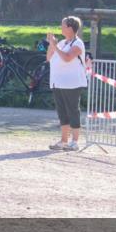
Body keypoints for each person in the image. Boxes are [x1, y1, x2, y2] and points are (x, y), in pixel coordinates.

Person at [46, 15, 87, 151]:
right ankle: (64, 140)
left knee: (73, 111)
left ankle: (74, 142)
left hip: (72, 83)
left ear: (70, 27)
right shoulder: (62, 43)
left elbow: (67, 58)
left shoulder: (78, 43)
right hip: (58, 82)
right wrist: (52, 44)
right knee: (62, 112)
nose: (61, 28)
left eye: (63, 25)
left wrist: (55, 46)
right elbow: (48, 57)